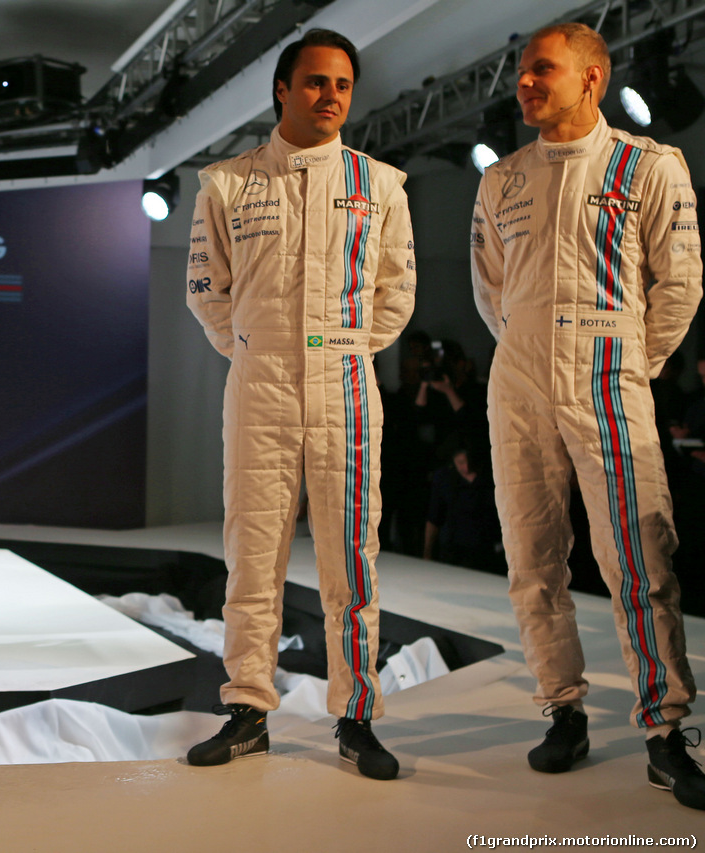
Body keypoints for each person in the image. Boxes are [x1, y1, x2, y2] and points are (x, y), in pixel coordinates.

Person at [470, 22, 704, 810]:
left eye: (542, 69)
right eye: (523, 72)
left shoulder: (648, 165)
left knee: (640, 551)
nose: (525, 83)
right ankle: (561, 707)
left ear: (592, 78)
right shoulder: (500, 179)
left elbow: (680, 285)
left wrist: (629, 365)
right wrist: (536, 354)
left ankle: (665, 728)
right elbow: (491, 291)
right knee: (533, 553)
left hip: (611, 370)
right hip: (521, 378)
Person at [185, 28, 416, 780]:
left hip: (347, 382)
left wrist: (339, 349)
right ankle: (247, 709)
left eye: (343, 84)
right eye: (316, 82)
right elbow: (206, 292)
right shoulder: (227, 182)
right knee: (253, 557)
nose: (331, 97)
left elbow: (396, 295)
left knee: (354, 560)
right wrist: (260, 350)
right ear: (282, 89)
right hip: (259, 386)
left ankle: (356, 717)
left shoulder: (381, 184)